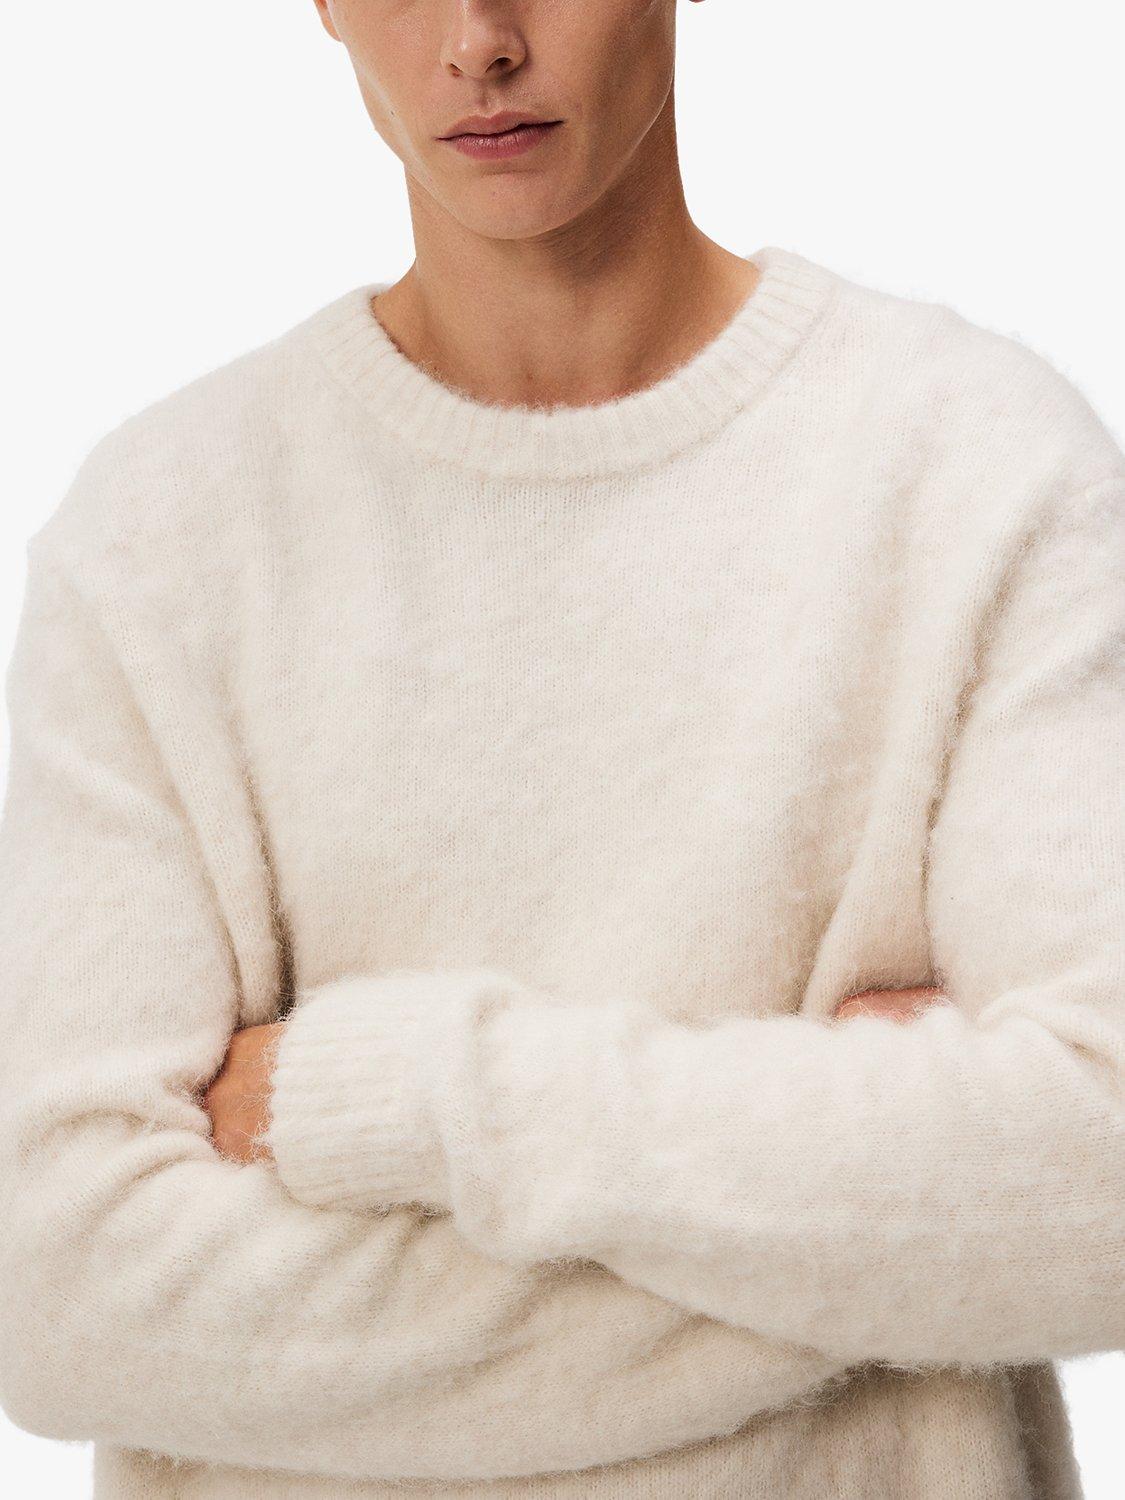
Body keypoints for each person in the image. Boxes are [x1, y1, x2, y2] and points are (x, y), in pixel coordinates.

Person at [0, 2, 1121, 1498]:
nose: (479, 39)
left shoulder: (979, 468)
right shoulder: (162, 541)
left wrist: (406, 1096)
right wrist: (879, 1240)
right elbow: (61, 1292)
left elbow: (1103, 1180)